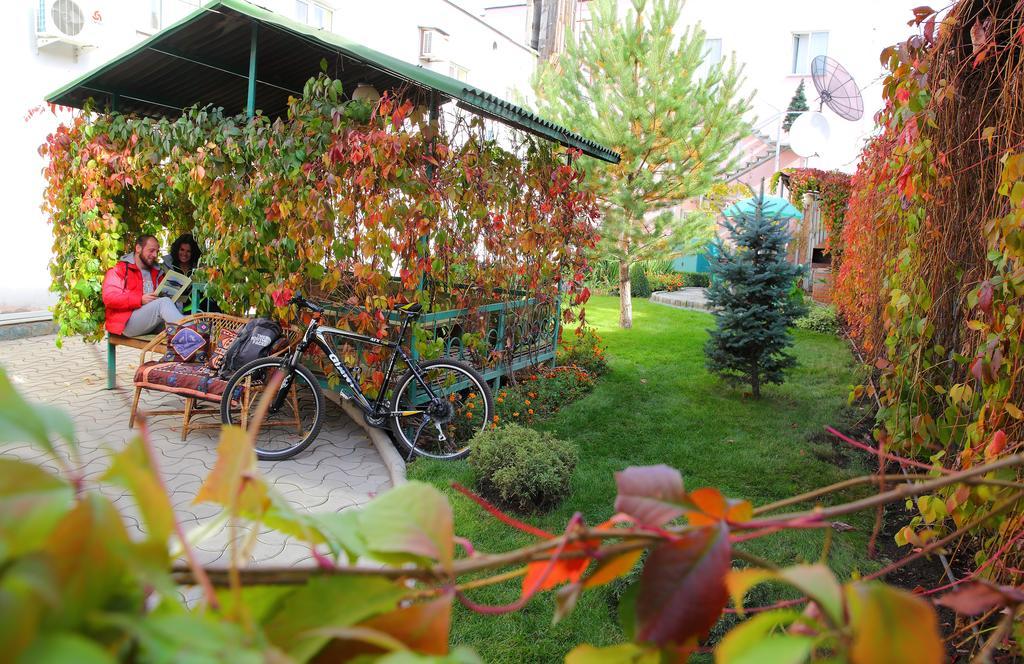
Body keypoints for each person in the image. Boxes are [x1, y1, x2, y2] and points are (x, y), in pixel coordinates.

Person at [102, 234, 183, 337]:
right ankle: (193, 336)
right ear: (138, 248)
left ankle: (196, 342)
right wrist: (140, 299)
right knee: (164, 303)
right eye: (151, 250)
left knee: (181, 321)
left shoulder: (157, 272)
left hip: (150, 321)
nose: (155, 255)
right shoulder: (119, 270)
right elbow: (109, 298)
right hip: (126, 323)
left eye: (157, 252)